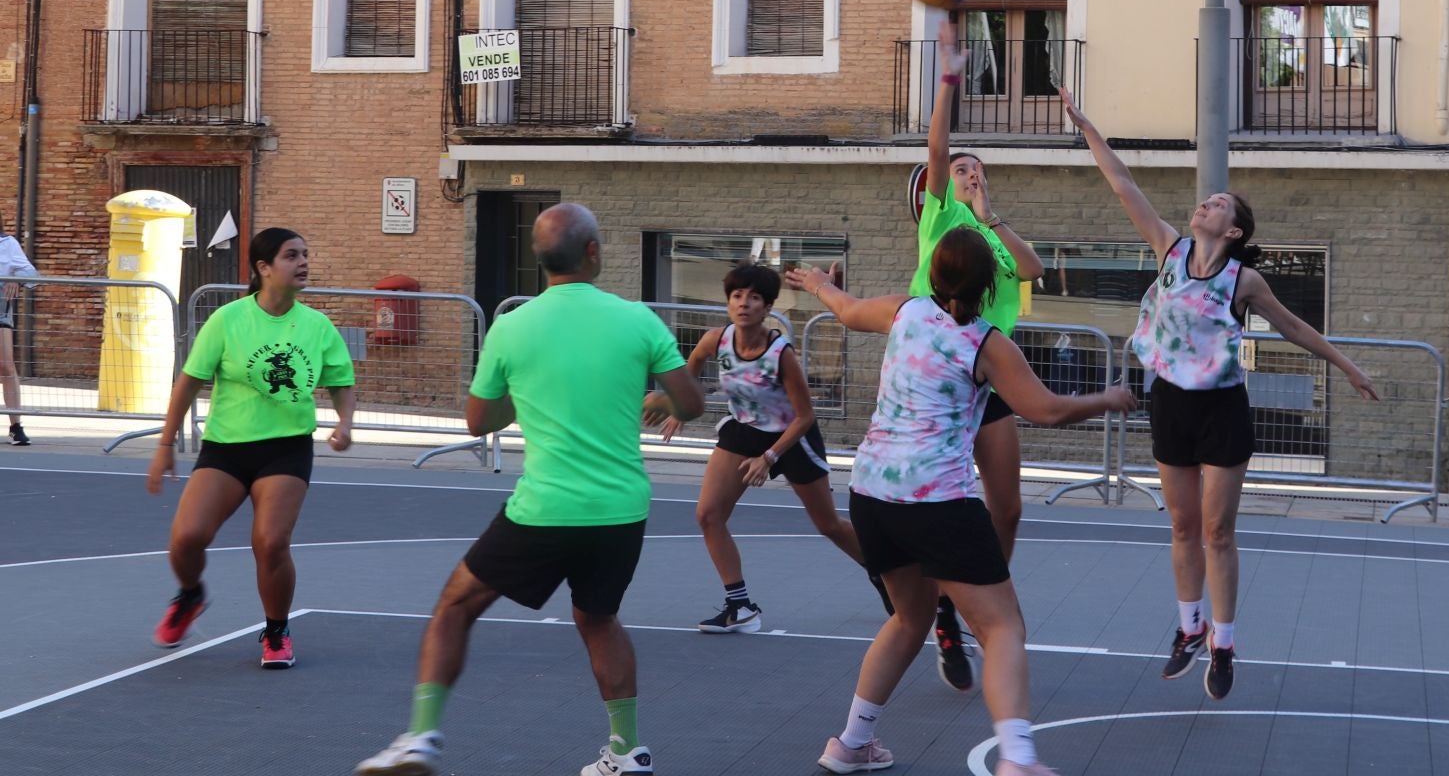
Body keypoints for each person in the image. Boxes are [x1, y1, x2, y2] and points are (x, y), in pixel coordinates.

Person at [355, 204, 704, 776]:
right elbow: (691, 403)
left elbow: (477, 422)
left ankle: (419, 736)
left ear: (539, 261)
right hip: (620, 511)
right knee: (599, 620)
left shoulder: (512, 326)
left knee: (455, 606)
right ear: (592, 252)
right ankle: (627, 749)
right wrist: (662, 399)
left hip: (545, 509)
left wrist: (527, 394)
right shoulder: (638, 319)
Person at [1062, 90, 1377, 701]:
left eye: (1216, 203)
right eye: (1205, 200)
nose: (1203, 203)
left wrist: (1345, 364)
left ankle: (1225, 643)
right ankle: (1188, 629)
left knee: (1218, 533)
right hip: (1171, 403)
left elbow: (1292, 327)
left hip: (1222, 408)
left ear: (1231, 229)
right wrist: (1087, 126)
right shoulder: (1170, 249)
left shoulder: (1244, 279)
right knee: (1181, 527)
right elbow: (1123, 182)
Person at [785, 232, 1135, 776]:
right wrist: (1107, 398)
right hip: (937, 502)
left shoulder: (904, 312)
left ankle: (852, 742)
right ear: (991, 285)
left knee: (908, 618)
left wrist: (819, 283)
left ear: (932, 277)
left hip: (873, 494)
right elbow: (1045, 410)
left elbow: (847, 310)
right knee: (1002, 629)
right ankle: (1017, 758)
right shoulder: (987, 344)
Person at [145, 227, 355, 668]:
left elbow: (341, 381)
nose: (303, 263)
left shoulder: (316, 326)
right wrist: (165, 443)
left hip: (285, 449)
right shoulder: (228, 320)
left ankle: (276, 631)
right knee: (186, 538)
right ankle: (190, 595)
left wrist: (344, 422)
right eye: (291, 255)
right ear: (263, 268)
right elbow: (189, 382)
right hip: (226, 449)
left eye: (305, 254)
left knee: (270, 541)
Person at [911, 20, 1048, 692]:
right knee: (942, 502)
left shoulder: (991, 234)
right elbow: (936, 145)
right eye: (961, 170)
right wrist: (949, 75)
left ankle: (968, 595)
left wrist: (989, 209)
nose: (968, 173)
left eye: (977, 169)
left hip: (989, 377)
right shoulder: (939, 223)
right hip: (939, 377)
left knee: (1009, 508)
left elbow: (1034, 267)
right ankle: (942, 608)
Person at [652, 262, 870, 633]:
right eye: (737, 295)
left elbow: (804, 416)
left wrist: (770, 457)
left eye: (754, 297)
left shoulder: (780, 354)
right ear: (728, 302)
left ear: (767, 308)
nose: (743, 303)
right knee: (708, 515)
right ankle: (741, 607)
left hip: (791, 435)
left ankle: (889, 576)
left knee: (828, 524)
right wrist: (678, 406)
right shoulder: (715, 341)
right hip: (745, 429)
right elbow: (692, 371)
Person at [1, 279, 25, 445]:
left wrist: (17, 280)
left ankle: (16, 426)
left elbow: (28, 271)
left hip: (1, 312)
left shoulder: (8, 250)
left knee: (7, 365)